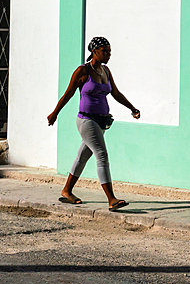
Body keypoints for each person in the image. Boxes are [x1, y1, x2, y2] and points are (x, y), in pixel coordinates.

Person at [47, 36, 140, 210]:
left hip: (101, 121)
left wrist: (132, 108)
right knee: (101, 155)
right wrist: (55, 113)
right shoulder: (83, 71)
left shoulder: (106, 71)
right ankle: (111, 199)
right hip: (86, 120)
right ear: (94, 52)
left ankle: (67, 190)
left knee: (83, 156)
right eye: (105, 51)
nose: (108, 54)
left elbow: (116, 93)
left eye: (110, 51)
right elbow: (68, 94)